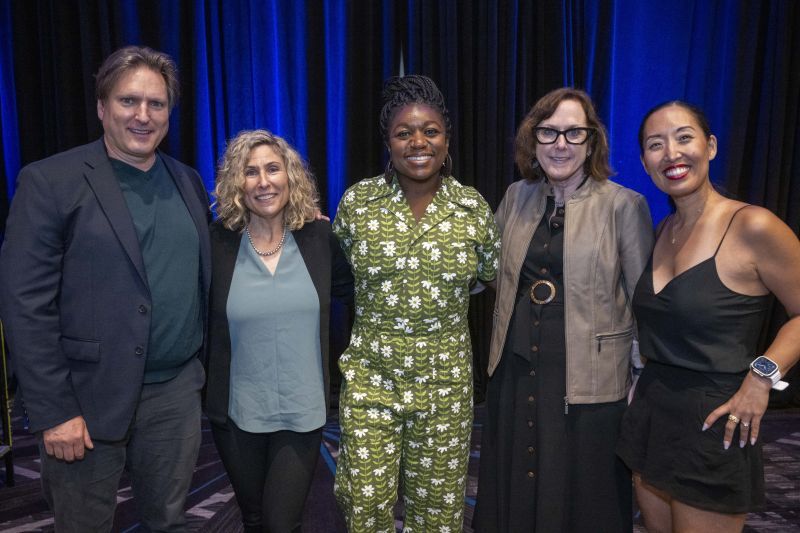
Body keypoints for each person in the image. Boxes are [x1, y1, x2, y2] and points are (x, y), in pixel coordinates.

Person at [0, 46, 211, 531]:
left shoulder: (188, 181)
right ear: (101, 106)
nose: (143, 115)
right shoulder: (50, 181)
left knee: (170, 521)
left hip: (174, 395)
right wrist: (54, 412)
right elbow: (24, 305)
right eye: (128, 101)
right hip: (84, 402)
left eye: (156, 104)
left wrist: (296, 226)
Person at [473, 87, 654, 532]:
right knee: (517, 482)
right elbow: (486, 269)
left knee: (583, 493)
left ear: (591, 142)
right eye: (549, 132)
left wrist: (643, 376)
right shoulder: (517, 196)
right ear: (532, 141)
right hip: (516, 368)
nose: (560, 144)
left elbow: (643, 301)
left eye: (574, 133)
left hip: (590, 381)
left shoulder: (623, 206)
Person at [617, 101, 800, 532]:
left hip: (716, 419)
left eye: (684, 138)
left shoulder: (753, 225)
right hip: (652, 415)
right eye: (655, 145)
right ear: (645, 163)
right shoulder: (662, 230)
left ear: (711, 146)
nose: (672, 154)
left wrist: (761, 377)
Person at [332, 74, 500, 532]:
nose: (418, 142)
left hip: (444, 387)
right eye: (404, 132)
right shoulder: (357, 204)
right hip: (371, 381)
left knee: (439, 515)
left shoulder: (472, 209)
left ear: (447, 139)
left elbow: (486, 278)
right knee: (364, 507)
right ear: (388, 142)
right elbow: (338, 272)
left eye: (431, 131)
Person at [204, 129, 353, 533]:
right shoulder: (215, 244)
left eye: (273, 168)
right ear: (237, 183)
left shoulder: (319, 237)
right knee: (253, 519)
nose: (264, 181)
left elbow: (361, 295)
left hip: (301, 413)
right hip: (237, 415)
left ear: (291, 177)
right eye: (251, 172)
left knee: (281, 523)